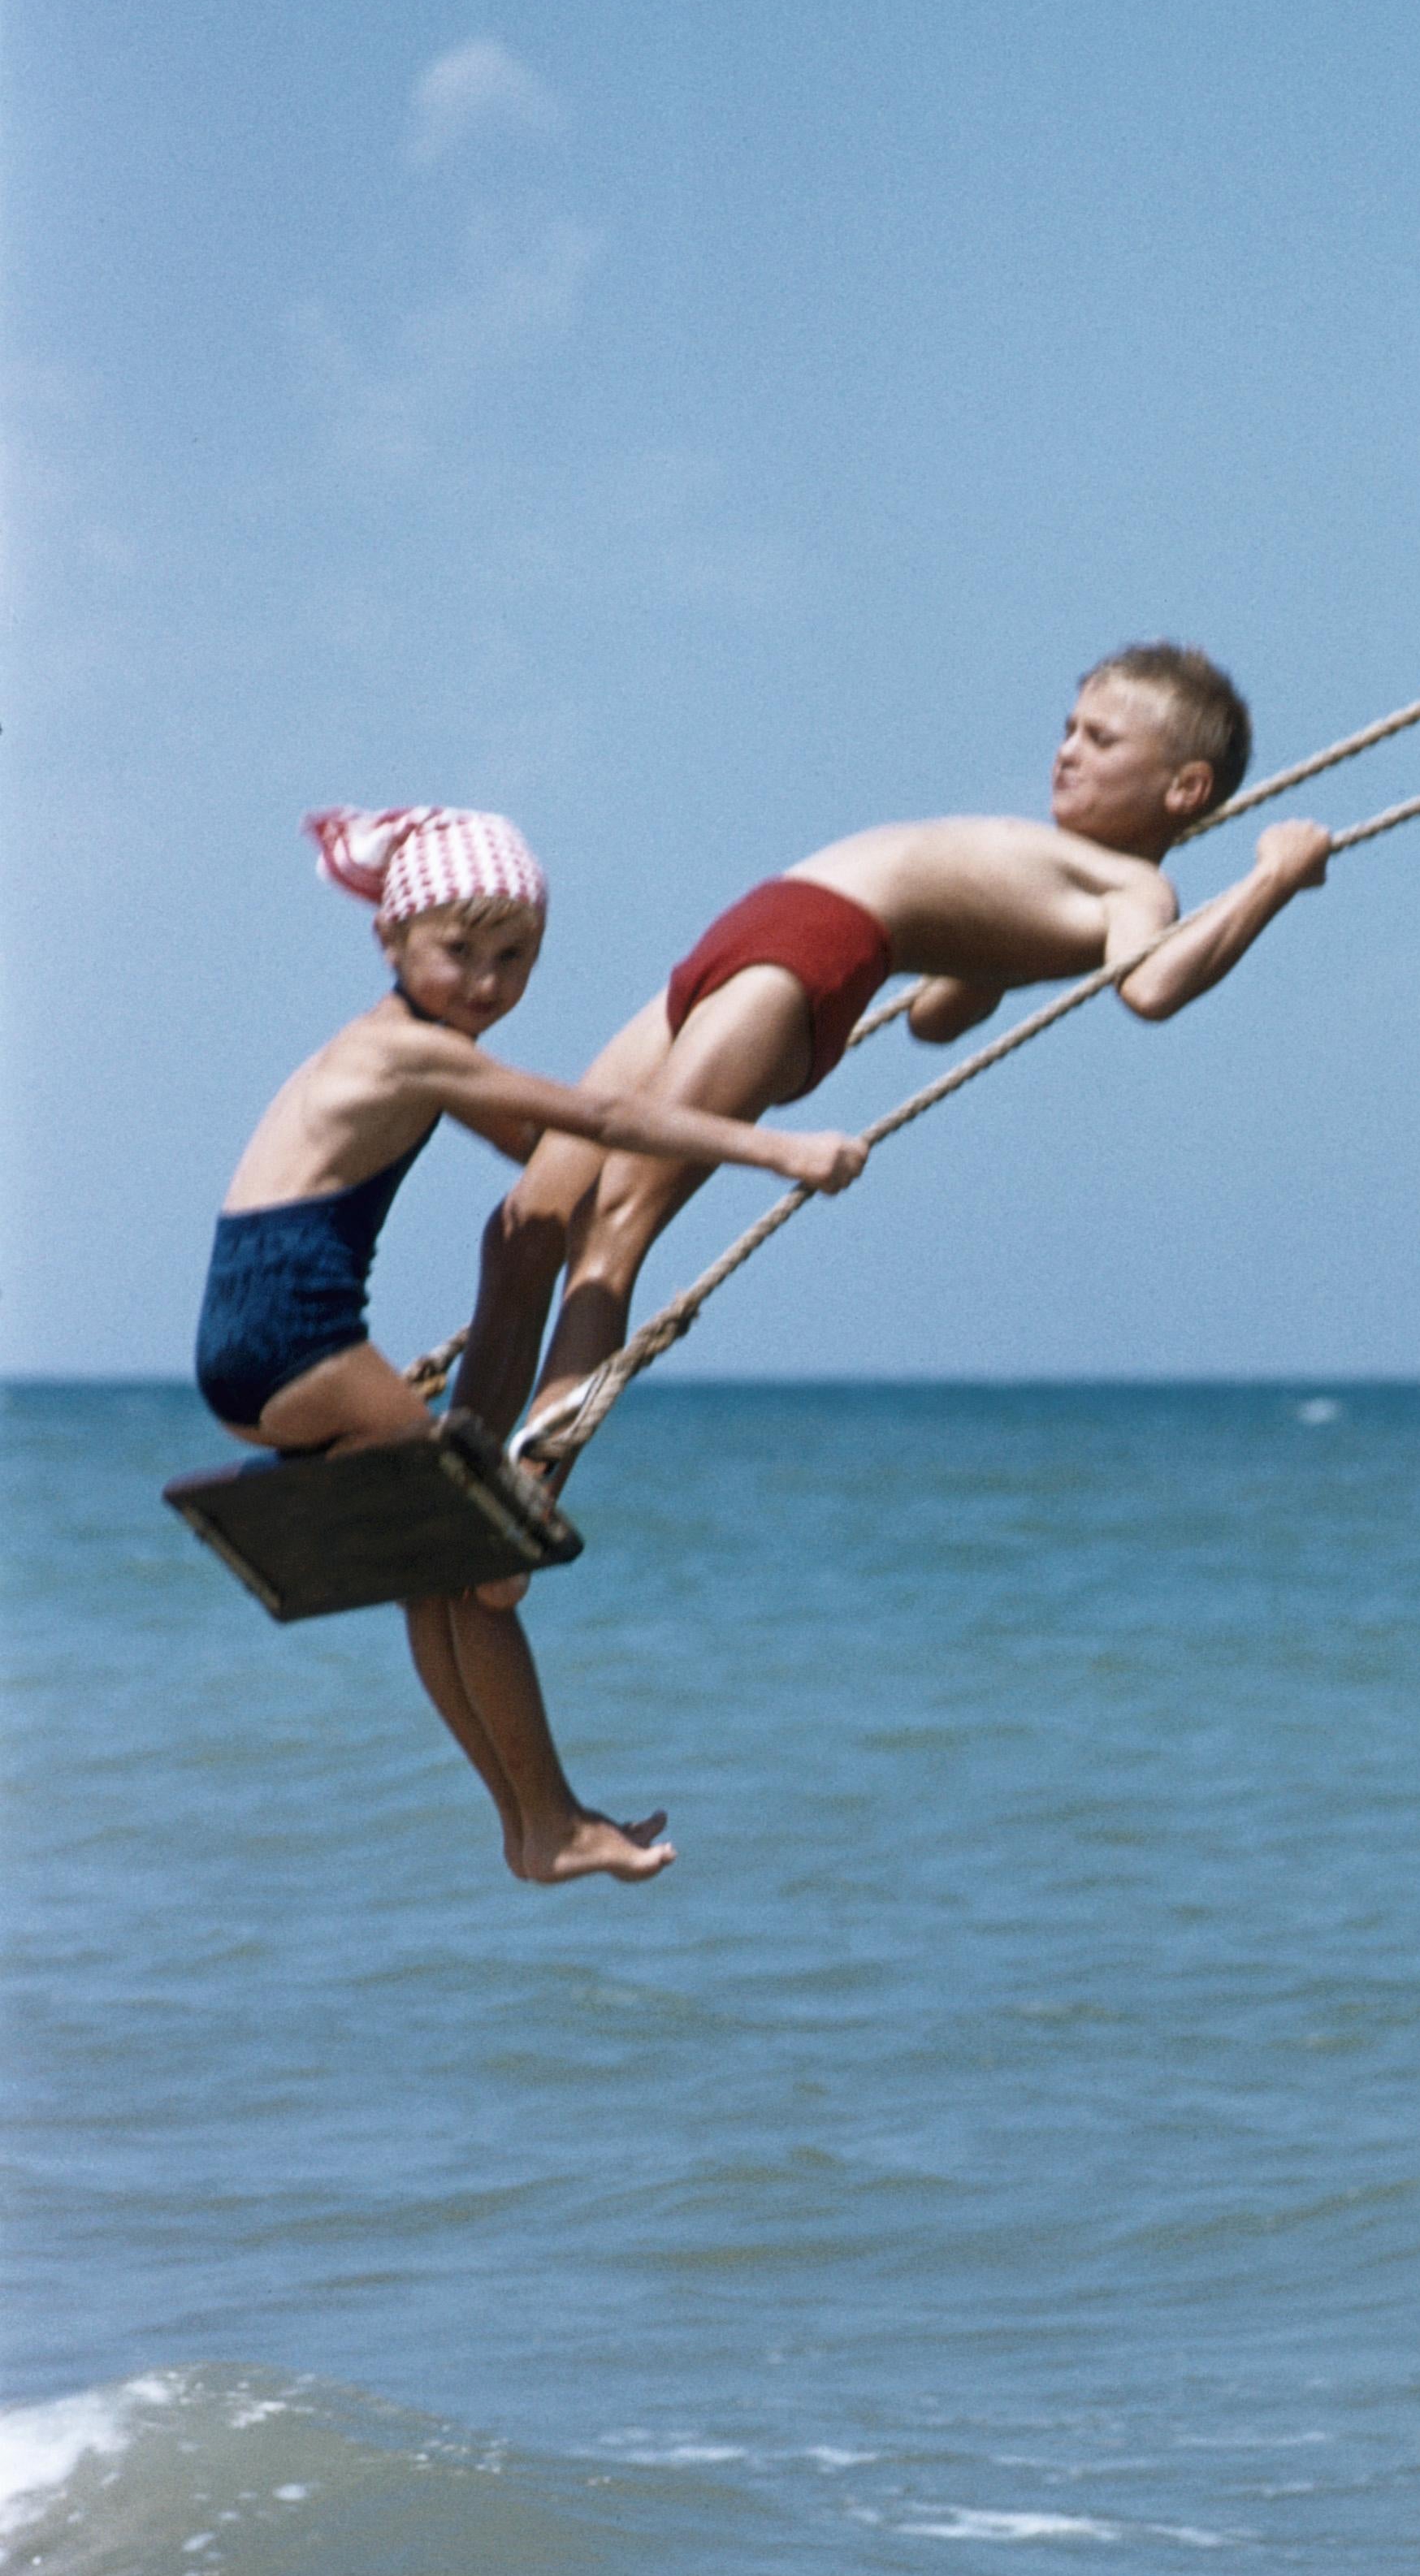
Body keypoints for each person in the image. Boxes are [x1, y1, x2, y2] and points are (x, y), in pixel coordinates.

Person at [197, 806, 867, 1885]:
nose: (486, 981)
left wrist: (706, 1093)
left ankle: (529, 1824)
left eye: (514, 959)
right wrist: (774, 1144)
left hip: (249, 1352)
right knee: (483, 1551)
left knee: (433, 1574)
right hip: (296, 1341)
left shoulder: (403, 1051)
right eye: (459, 951)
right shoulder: (407, 1054)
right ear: (392, 941)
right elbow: (594, 1120)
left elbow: (545, 1146)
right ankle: (549, 1817)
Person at [453, 646, 1328, 1440]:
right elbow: (932, 1018)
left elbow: (1151, 985)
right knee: (526, 1222)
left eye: (1101, 740)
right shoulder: (1058, 874)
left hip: (800, 959)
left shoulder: (1136, 886)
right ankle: (465, 1455)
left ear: (1183, 789)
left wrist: (1272, 879)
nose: (1067, 749)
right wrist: (987, 959)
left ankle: (535, 1469)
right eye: (1068, 729)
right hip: (750, 937)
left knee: (616, 1222)